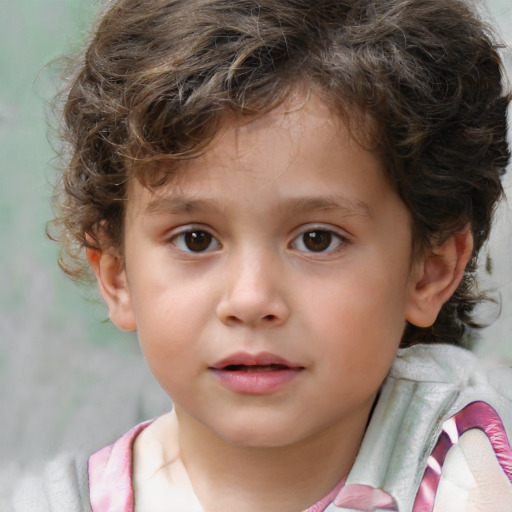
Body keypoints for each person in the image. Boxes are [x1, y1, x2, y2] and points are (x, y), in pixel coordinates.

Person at [9, 0, 512, 510]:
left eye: (317, 239)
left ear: (429, 270)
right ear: (117, 276)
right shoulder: (61, 502)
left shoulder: (468, 481)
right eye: (196, 239)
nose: (251, 300)